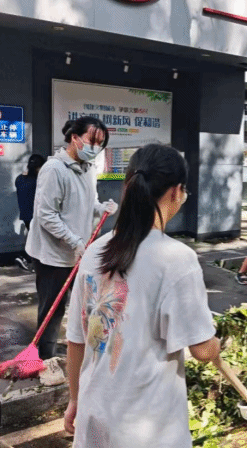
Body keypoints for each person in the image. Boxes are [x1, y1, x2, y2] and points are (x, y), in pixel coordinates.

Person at [63, 143, 220, 447]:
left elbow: (76, 340)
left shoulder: (95, 251)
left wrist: (74, 399)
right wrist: (216, 344)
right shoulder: (177, 259)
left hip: (94, 417)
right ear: (176, 192)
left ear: (128, 186)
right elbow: (202, 350)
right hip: (147, 428)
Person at [25, 116, 119, 361]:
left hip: (79, 251)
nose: (95, 148)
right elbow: (46, 215)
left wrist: (101, 208)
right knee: (52, 309)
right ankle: (44, 360)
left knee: (86, 303)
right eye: (92, 141)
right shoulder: (54, 169)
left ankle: (82, 351)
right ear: (74, 138)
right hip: (52, 254)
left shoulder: (88, 169)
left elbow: (88, 202)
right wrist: (74, 241)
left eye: (100, 144)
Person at [14, 154, 46, 271]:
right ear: (39, 167)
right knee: (38, 240)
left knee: (33, 238)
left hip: (25, 215)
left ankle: (28, 260)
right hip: (36, 215)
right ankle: (28, 260)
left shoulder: (19, 179)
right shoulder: (38, 181)